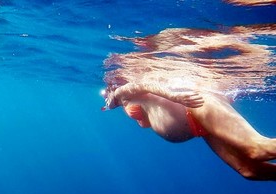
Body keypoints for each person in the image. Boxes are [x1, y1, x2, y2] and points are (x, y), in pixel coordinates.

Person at [103, 25, 276, 181]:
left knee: (257, 149)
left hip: (197, 105)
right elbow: (113, 103)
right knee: (248, 170)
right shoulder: (120, 100)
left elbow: (144, 85)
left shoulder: (123, 92)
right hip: (199, 127)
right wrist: (110, 103)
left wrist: (174, 96)